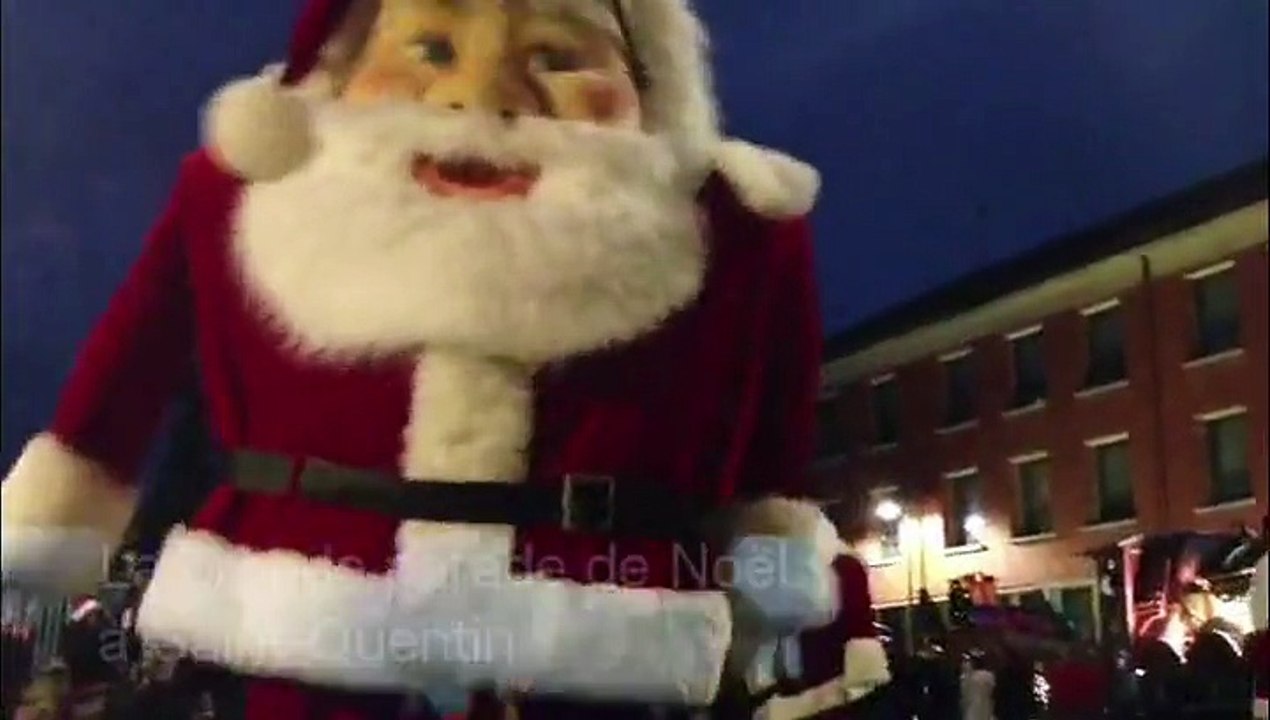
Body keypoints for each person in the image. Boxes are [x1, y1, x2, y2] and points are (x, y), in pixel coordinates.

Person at [0, 1, 856, 719]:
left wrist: (773, 582)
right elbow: (125, 373)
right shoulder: (242, 189)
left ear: (649, 82)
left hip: (600, 650)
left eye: (557, 56)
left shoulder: (736, 226)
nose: (480, 98)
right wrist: (61, 518)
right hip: (306, 634)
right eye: (432, 47)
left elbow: (769, 444)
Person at [959, 655, 995, 720]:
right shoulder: (990, 676)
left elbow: (964, 692)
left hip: (971, 705)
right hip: (986, 704)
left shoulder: (970, 677)